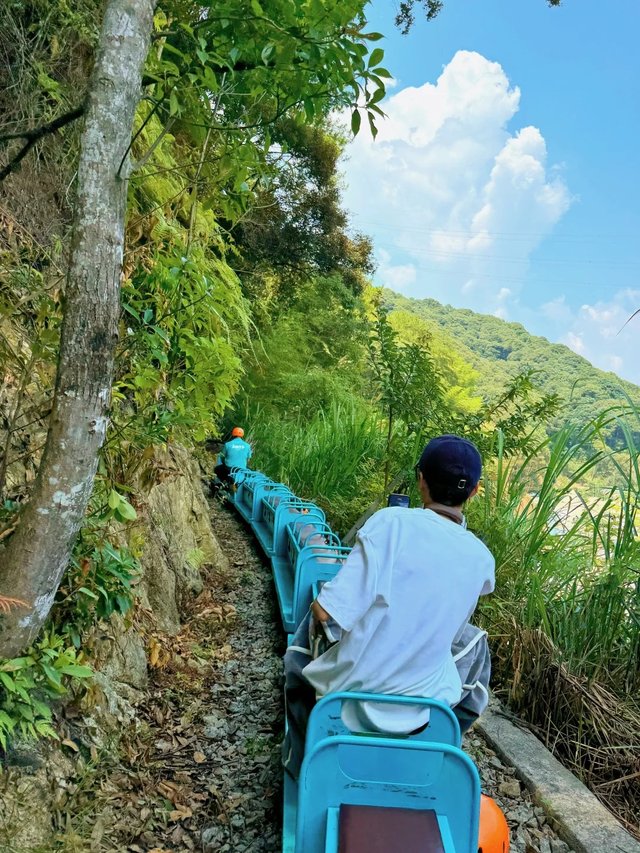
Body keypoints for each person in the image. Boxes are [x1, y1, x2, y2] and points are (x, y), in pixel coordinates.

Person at [282, 434, 495, 778]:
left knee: (307, 630)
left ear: (421, 479)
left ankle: (300, 762)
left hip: (351, 703)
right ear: (473, 491)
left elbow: (327, 613)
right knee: (474, 646)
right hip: (427, 710)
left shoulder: (391, 522)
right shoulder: (482, 559)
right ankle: (438, 754)